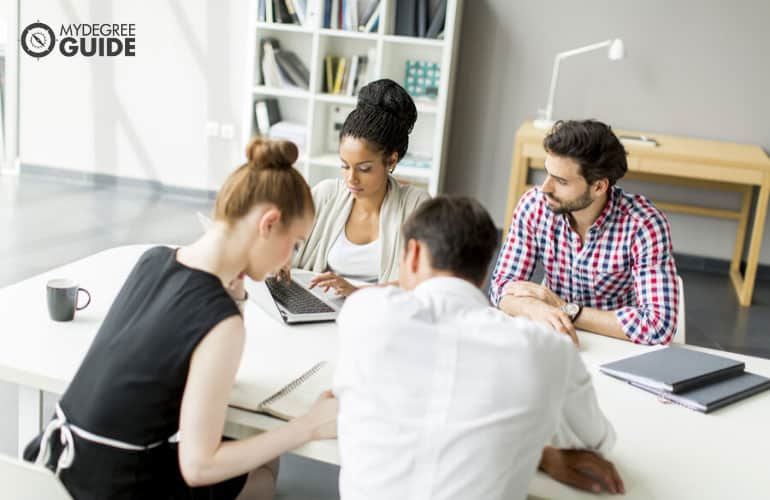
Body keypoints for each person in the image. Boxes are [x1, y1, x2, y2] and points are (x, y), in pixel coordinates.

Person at [24, 138, 338, 500]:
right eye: (295, 244)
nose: (288, 261)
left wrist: (235, 294)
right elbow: (199, 466)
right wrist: (309, 426)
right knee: (266, 472)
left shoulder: (152, 259)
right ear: (268, 223)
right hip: (116, 489)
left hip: (55, 469)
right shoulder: (222, 323)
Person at [334, 196, 623, 500]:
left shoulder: (363, 314)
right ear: (484, 274)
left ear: (414, 253)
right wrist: (543, 452)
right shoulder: (545, 350)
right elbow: (596, 443)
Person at [490, 119, 678, 345]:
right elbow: (501, 286)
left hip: (615, 342)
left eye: (560, 181)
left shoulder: (644, 225)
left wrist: (565, 309)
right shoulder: (534, 205)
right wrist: (534, 308)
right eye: (547, 173)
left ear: (599, 187)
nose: (545, 188)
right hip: (552, 334)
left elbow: (659, 325)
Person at [290, 78, 430, 296]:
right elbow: (286, 250)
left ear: (391, 161)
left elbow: (426, 282)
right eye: (345, 166)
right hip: (319, 313)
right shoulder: (326, 195)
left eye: (364, 168)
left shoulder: (416, 206)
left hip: (383, 317)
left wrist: (356, 291)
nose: (351, 179)